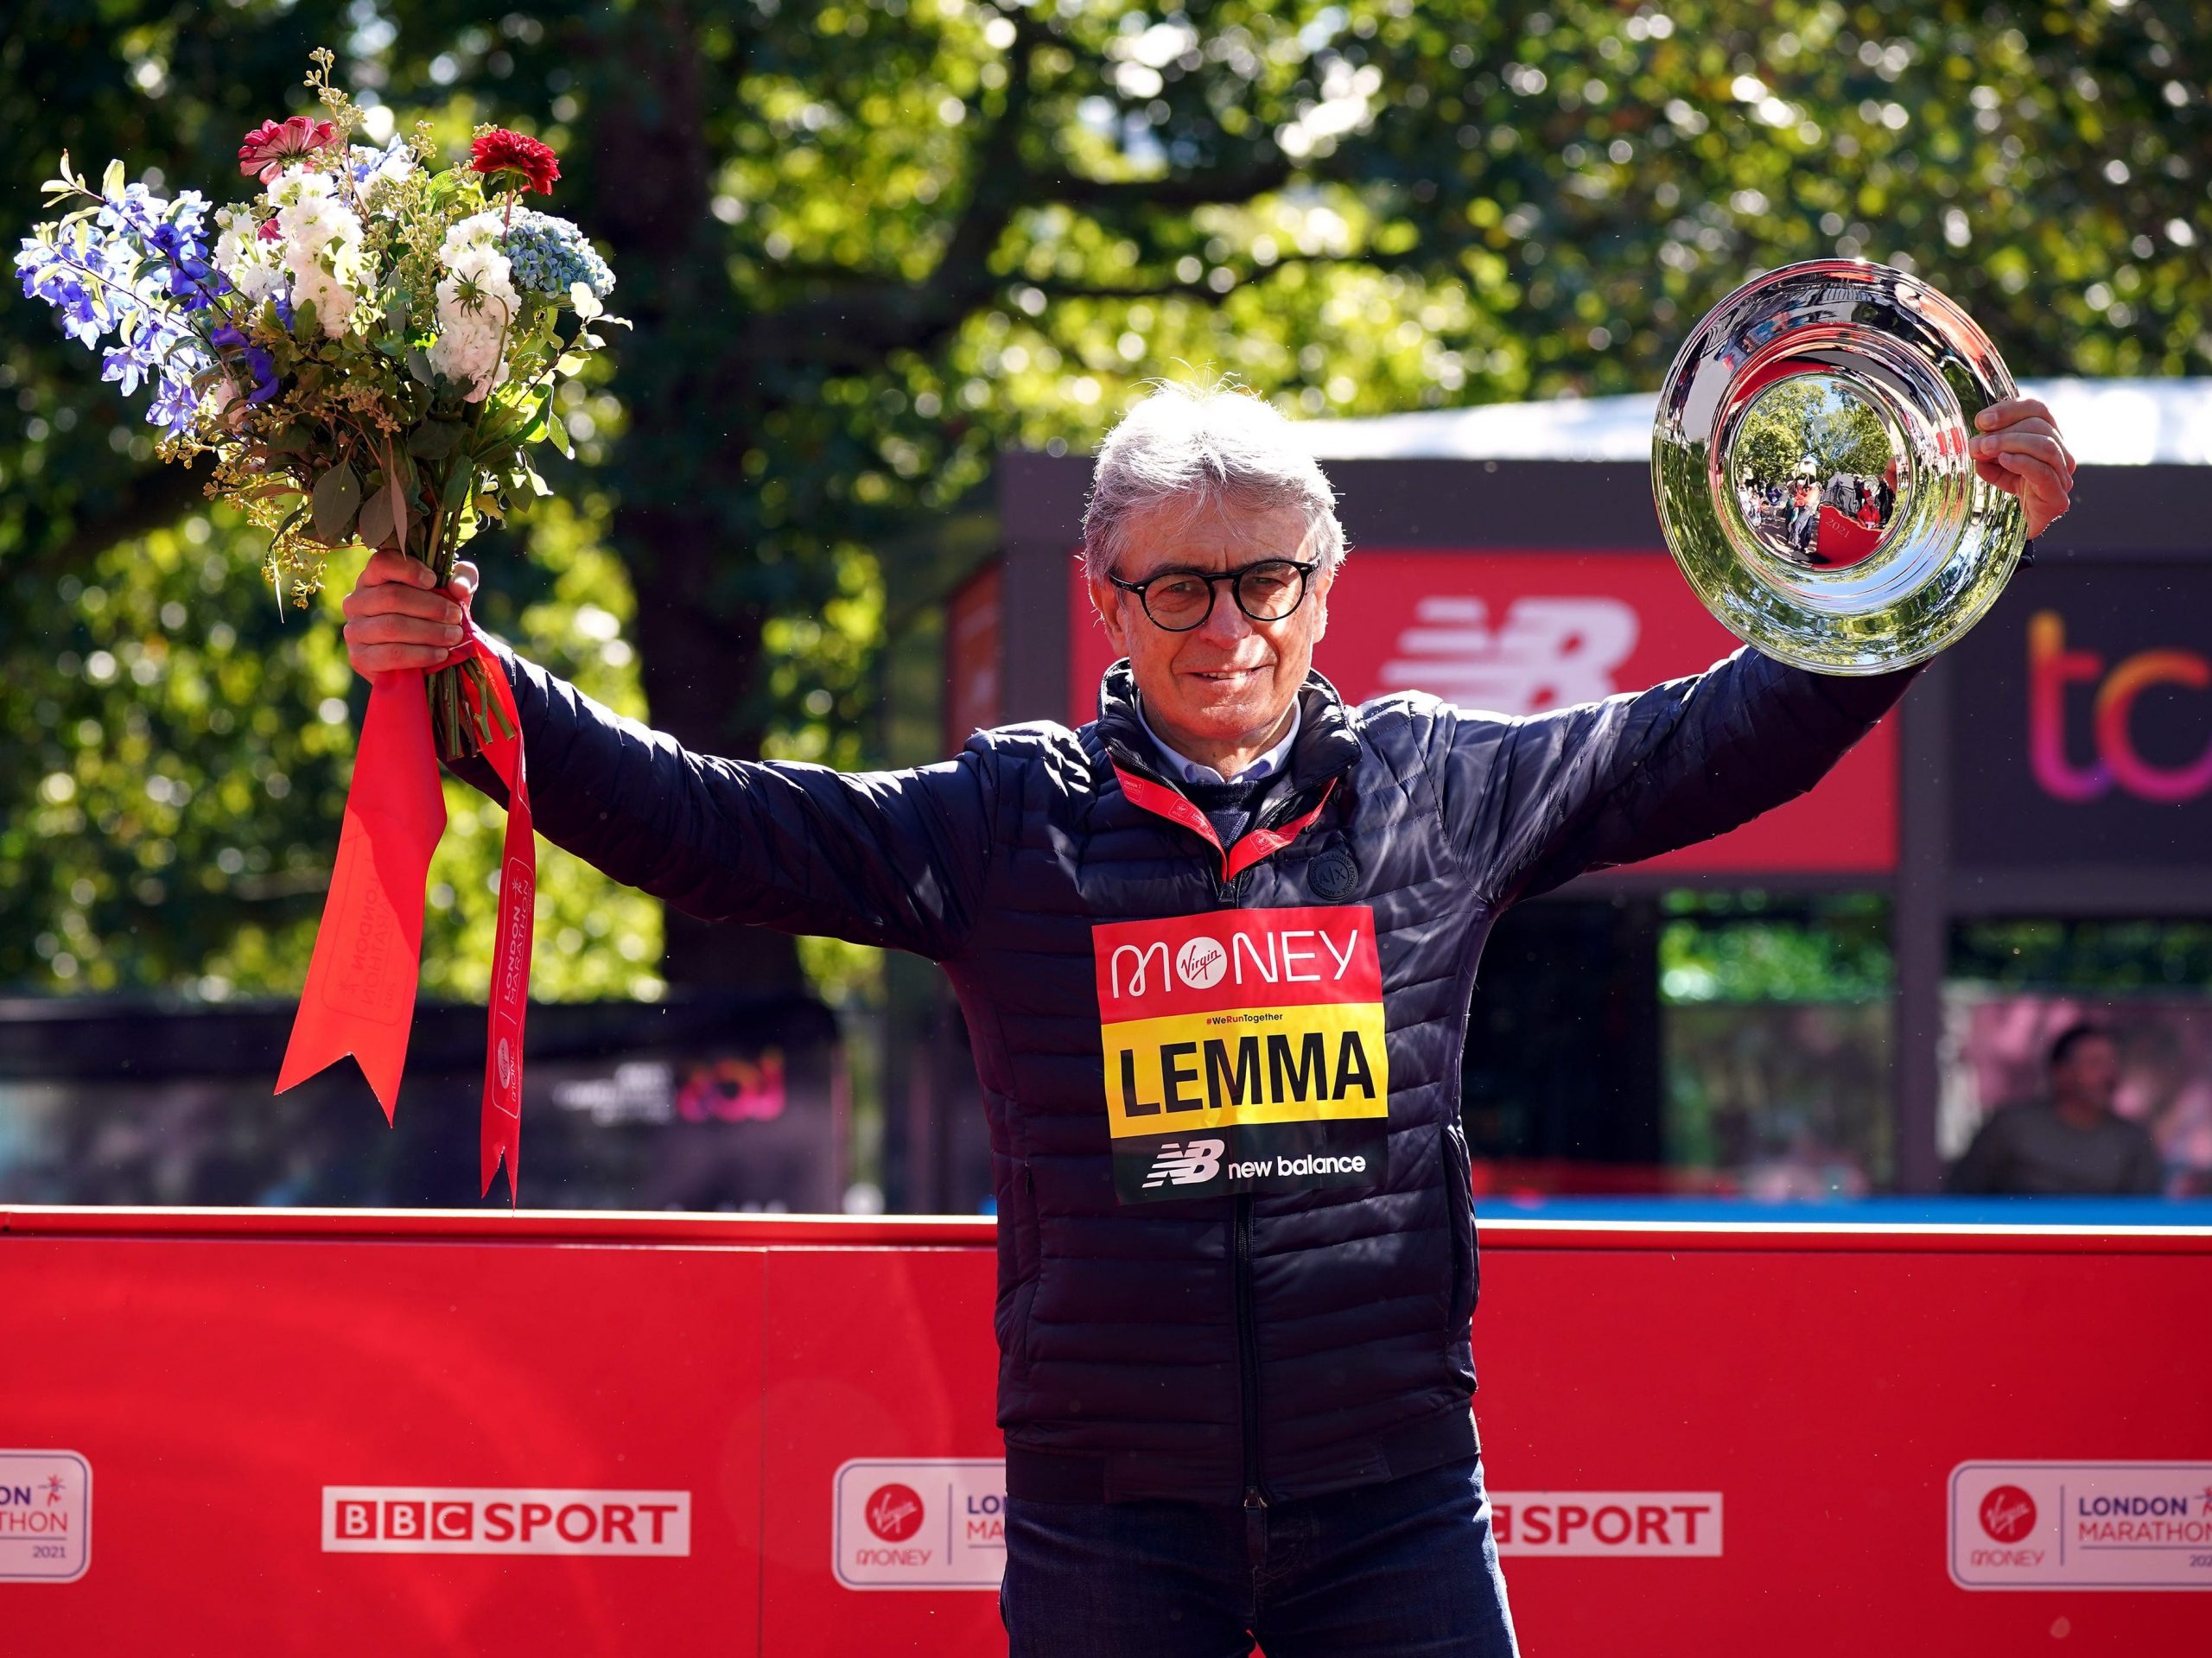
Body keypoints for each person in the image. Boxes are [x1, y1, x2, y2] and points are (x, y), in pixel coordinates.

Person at [339, 384, 2072, 1656]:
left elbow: (1722, 736)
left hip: (1393, 1494)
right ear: (1105, 597)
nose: (1227, 624)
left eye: (1264, 580)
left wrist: (1933, 558)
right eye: (1179, 586)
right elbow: (714, 823)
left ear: (1325, 584)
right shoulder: (1001, 820)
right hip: (1112, 1519)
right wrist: (493, 695)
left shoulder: (1436, 789)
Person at [1951, 1023, 2166, 1197]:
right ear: (2061, 1073)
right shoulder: (2011, 1127)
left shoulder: (2133, 1140)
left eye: (2113, 1064)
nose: (2108, 1076)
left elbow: (2145, 1217)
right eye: (2095, 1064)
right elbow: (1962, 1195)